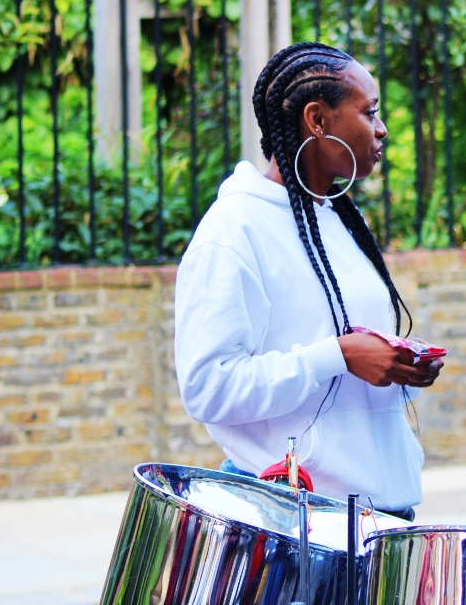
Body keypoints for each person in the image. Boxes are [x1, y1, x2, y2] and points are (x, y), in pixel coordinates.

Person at [174, 43, 443, 521]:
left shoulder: (337, 218)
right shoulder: (234, 229)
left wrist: (400, 369)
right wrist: (337, 355)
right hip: (298, 521)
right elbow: (208, 389)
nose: (381, 130)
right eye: (370, 113)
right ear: (317, 120)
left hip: (382, 514)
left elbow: (348, 380)